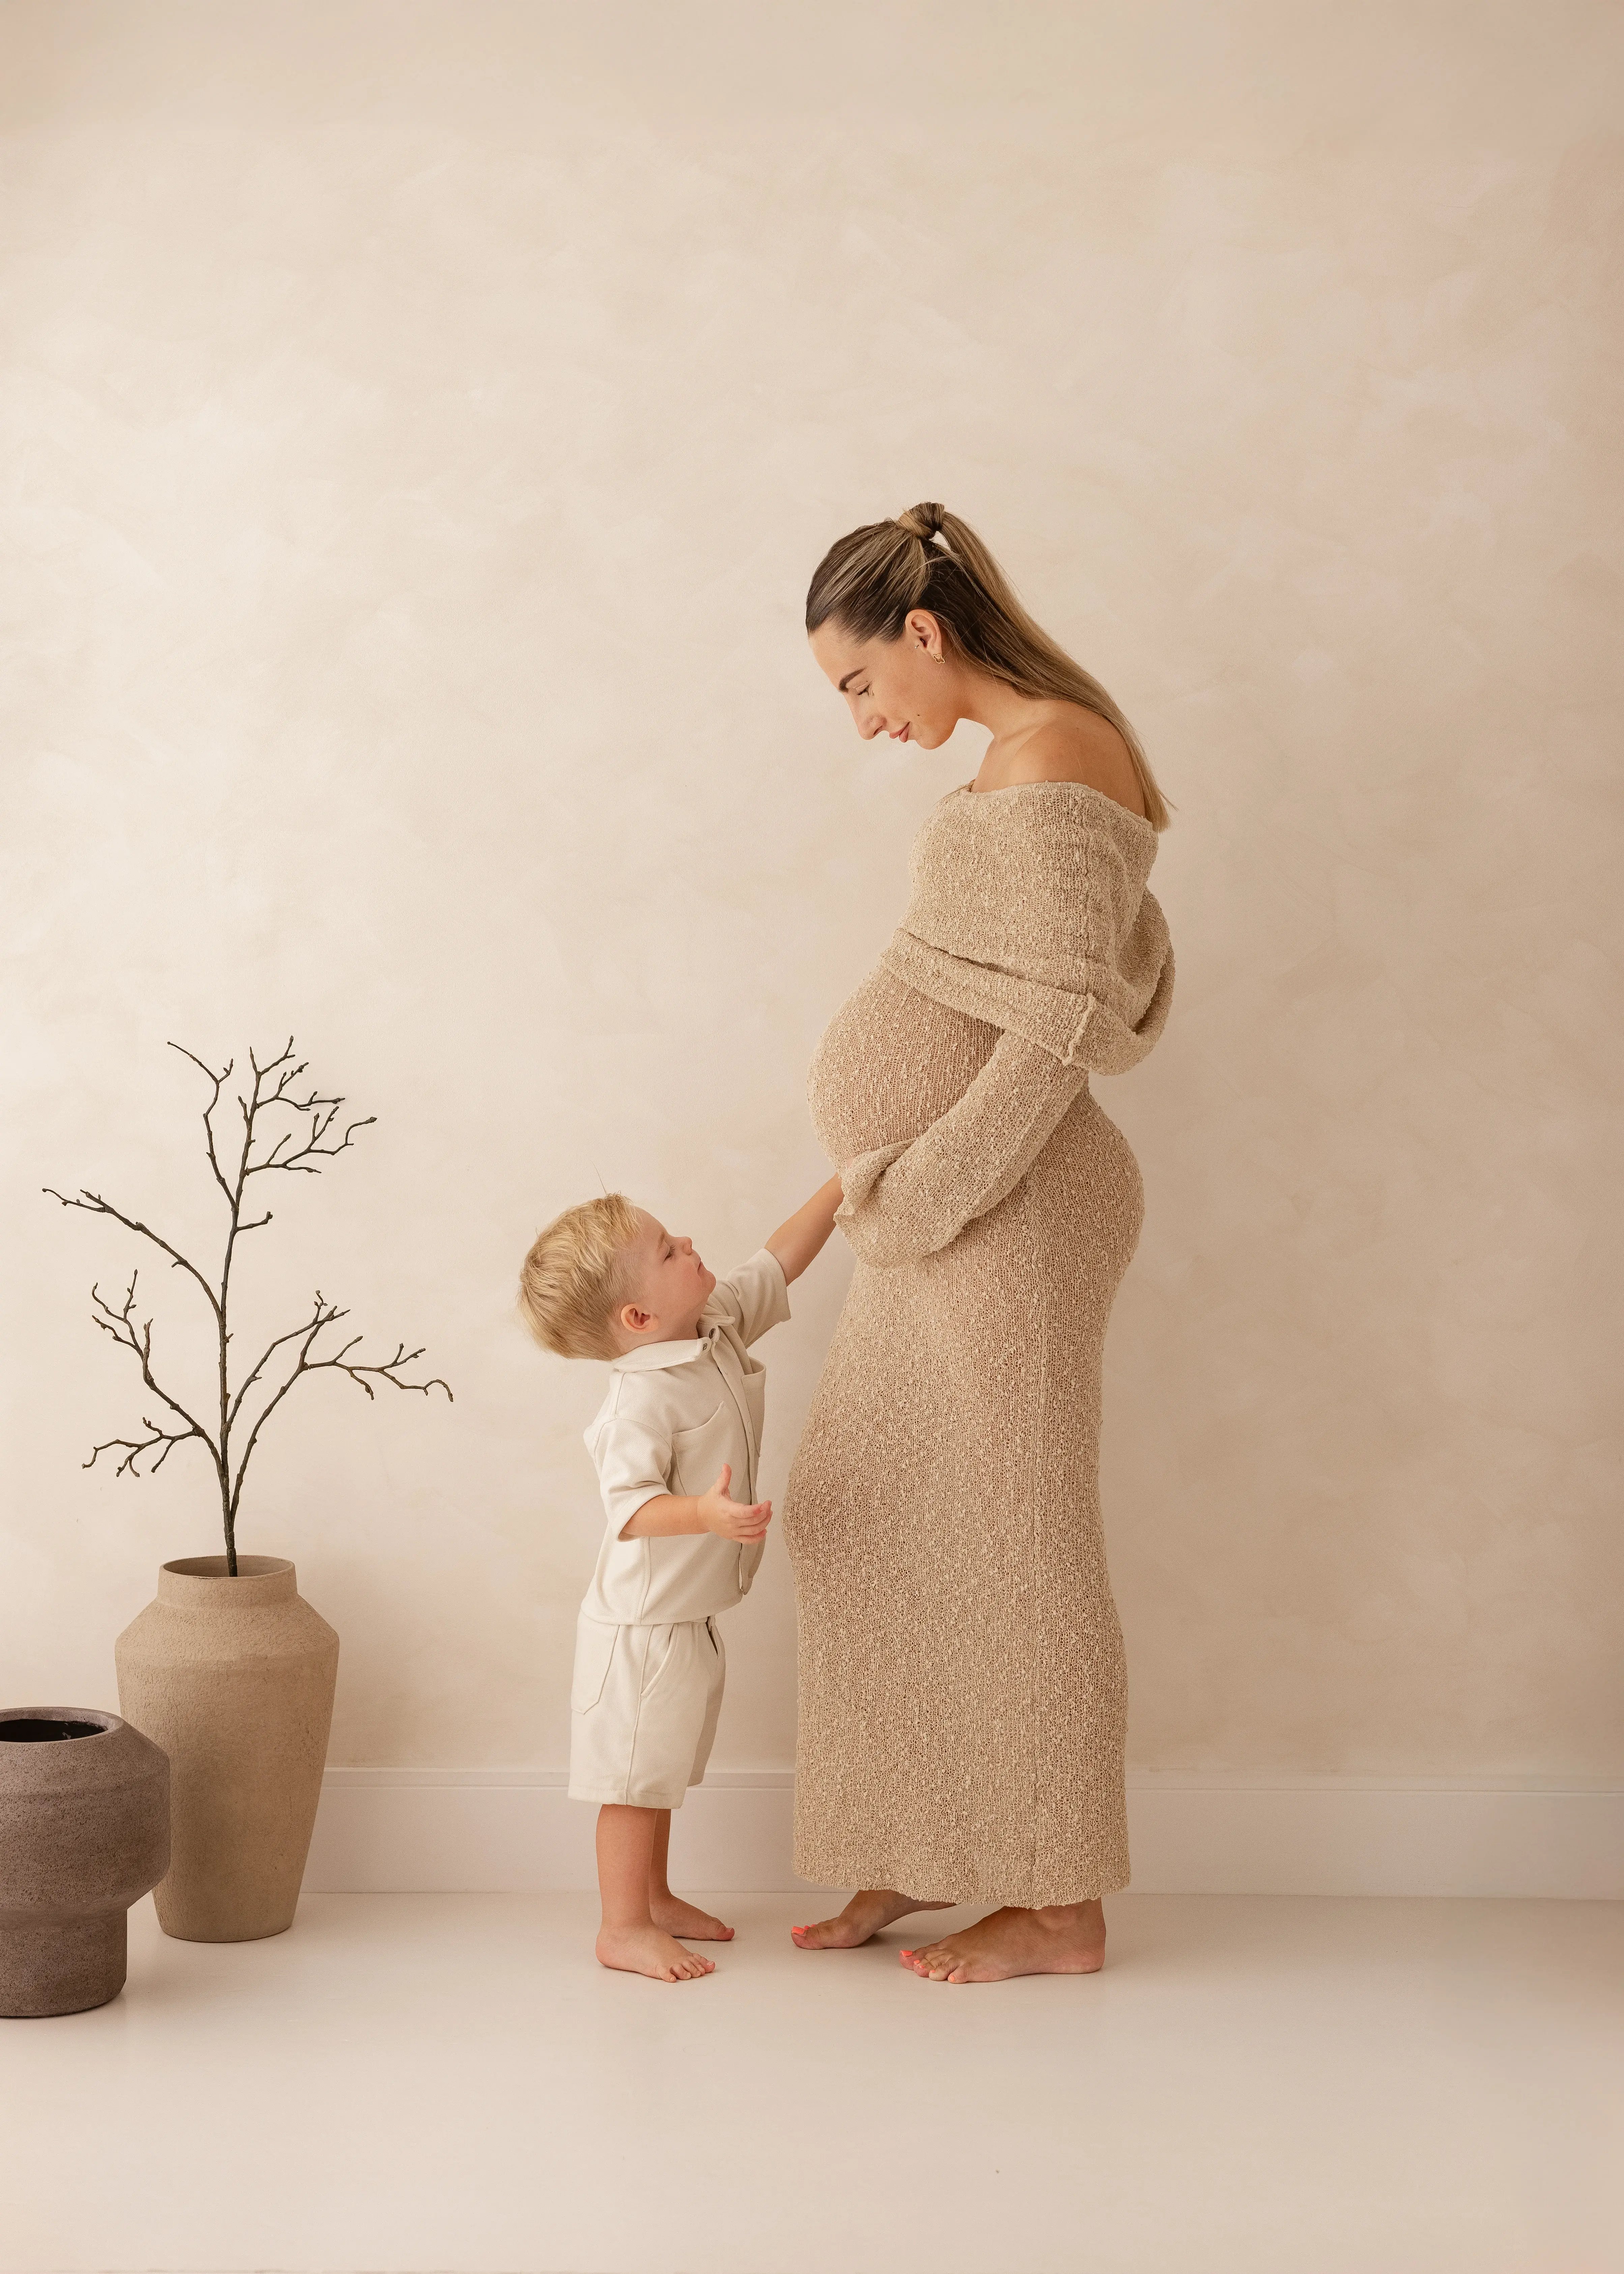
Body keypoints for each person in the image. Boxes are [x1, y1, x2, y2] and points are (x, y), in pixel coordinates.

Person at [783, 502, 1174, 1984]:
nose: (867, 718)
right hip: (941, 1209)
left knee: (1020, 1544)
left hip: (1009, 1206)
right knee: (858, 1502)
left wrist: (927, 1184)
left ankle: (1056, 1897)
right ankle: (926, 1836)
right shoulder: (1029, 759)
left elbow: (1057, 1032)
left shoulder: (1060, 752)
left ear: (924, 634)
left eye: (860, 684)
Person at [518, 1179, 841, 1982]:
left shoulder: (714, 1323)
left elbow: (779, 1260)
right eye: (667, 1249)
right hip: (641, 1627)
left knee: (657, 1767)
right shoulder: (637, 1399)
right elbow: (629, 1509)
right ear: (637, 1318)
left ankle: (654, 1897)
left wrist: (841, 1184)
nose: (688, 1243)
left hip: (687, 1616)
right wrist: (701, 1509)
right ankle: (621, 1925)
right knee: (630, 1779)